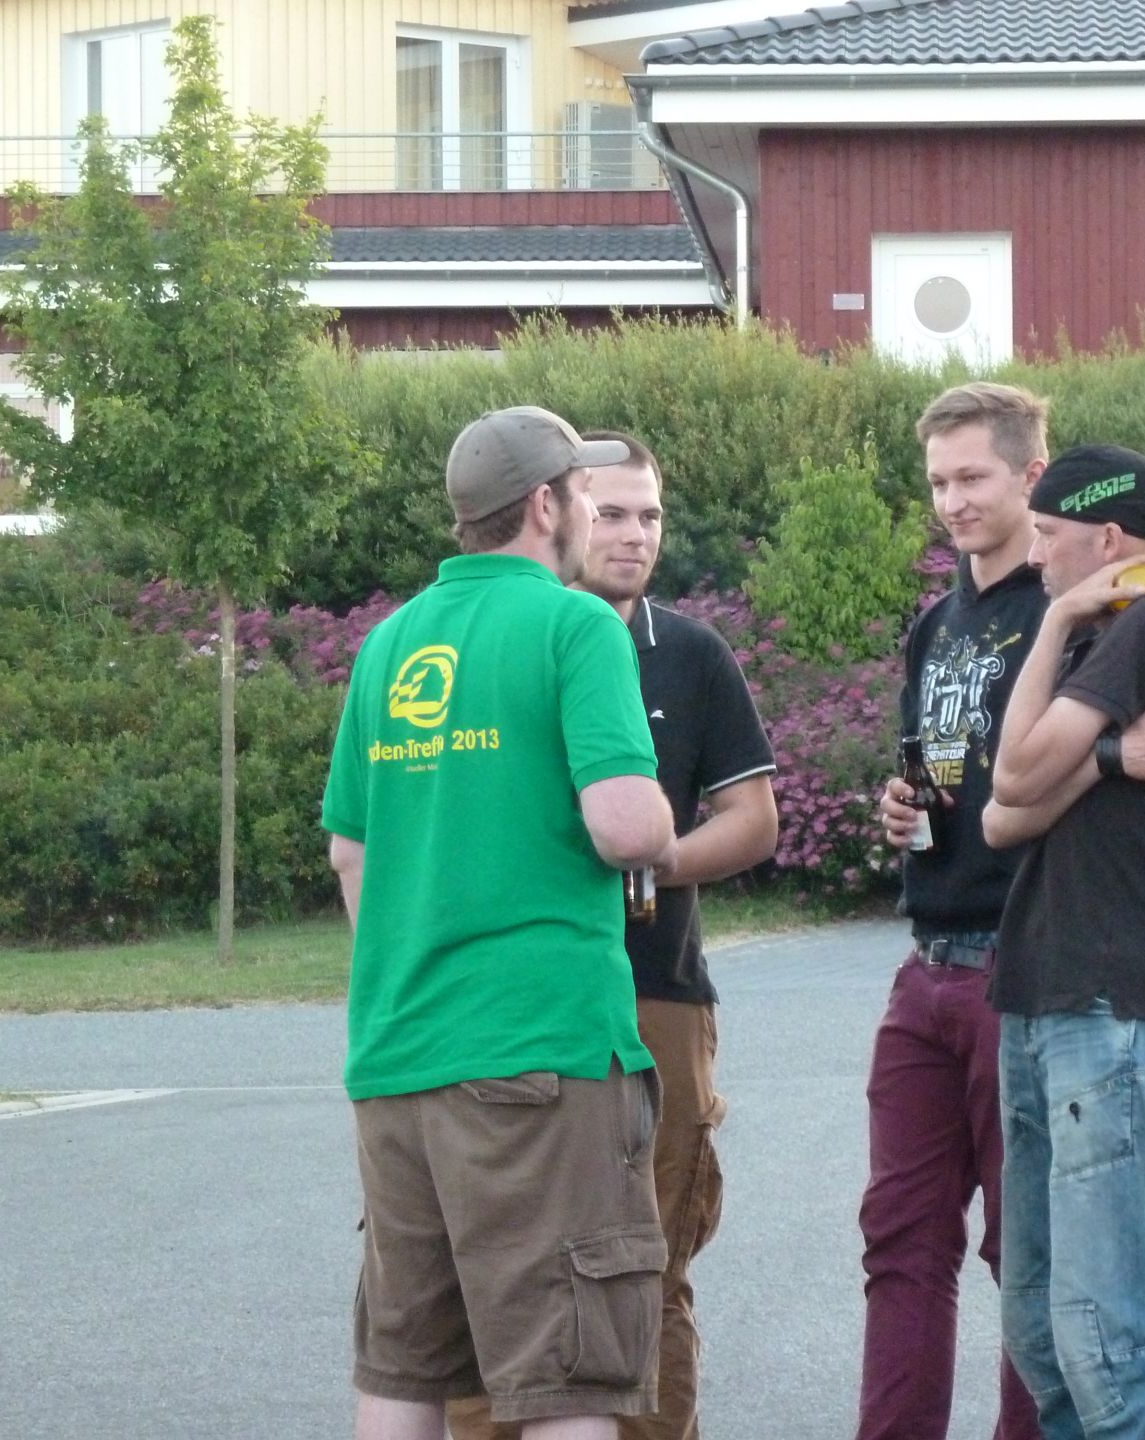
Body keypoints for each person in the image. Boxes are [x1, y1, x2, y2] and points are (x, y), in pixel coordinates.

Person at [323, 406, 679, 1440]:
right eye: (584, 496)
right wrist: (663, 825)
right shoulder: (578, 627)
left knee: (405, 1367)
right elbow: (623, 826)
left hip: (398, 1058)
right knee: (569, 1373)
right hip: (540, 1055)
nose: (596, 518)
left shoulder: (388, 645)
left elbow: (351, 854)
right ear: (544, 506)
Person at [864, 388, 1145, 1440]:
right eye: (937, 483)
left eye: (972, 477)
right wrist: (905, 808)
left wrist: (1097, 749)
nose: (951, 501)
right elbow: (962, 784)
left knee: (1062, 1284)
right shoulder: (937, 627)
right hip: (935, 957)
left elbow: (1026, 784)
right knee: (906, 1243)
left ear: (1031, 478)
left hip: (1036, 958)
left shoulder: (1102, 614)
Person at [447, 431, 778, 1440]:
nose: (635, 535)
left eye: (652, 515)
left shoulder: (692, 654)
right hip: (511, 1000)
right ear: (557, 508)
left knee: (649, 1266)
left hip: (656, 991)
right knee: (493, 1273)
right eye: (614, 512)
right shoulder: (492, 642)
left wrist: (652, 862)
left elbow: (754, 820)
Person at [983, 444, 1145, 1440]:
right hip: (1042, 999)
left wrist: (1052, 631)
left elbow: (1016, 775)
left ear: (1109, 538)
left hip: (1111, 1006)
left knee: (1115, 1341)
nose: (1036, 556)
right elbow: (1000, 815)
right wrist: (1108, 757)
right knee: (1044, 1335)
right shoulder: (1103, 644)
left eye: (1048, 536)